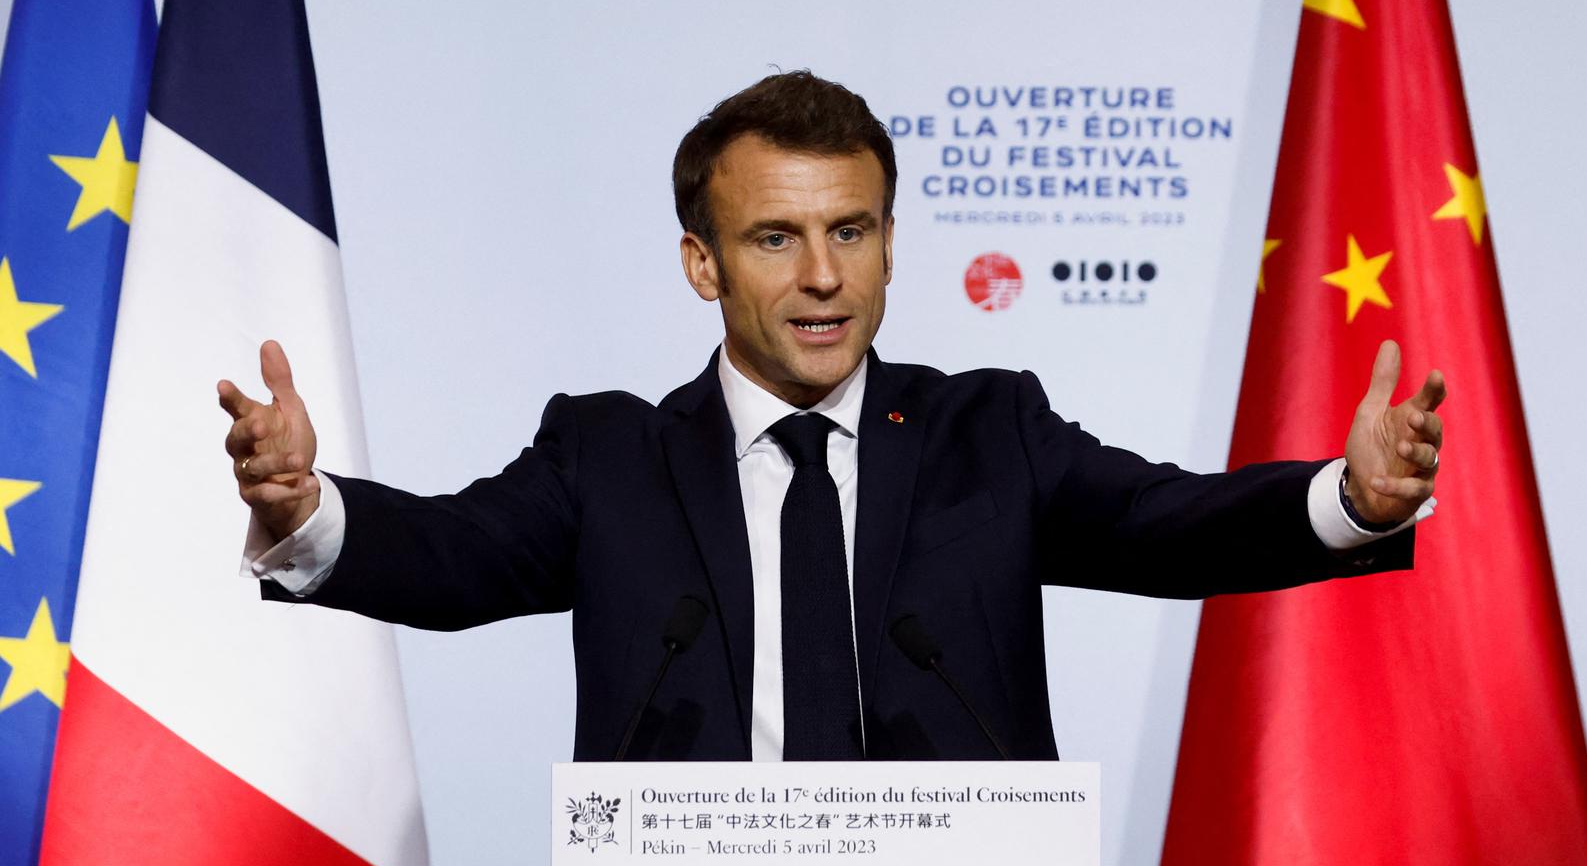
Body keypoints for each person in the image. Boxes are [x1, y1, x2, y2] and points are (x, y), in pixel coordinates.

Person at [217, 71, 1445, 762]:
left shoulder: (988, 436)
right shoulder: (610, 458)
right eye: (775, 238)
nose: (823, 277)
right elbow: (451, 555)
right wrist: (305, 508)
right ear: (703, 265)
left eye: (850, 232)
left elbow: (1164, 522)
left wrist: (1344, 497)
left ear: (891, 244)